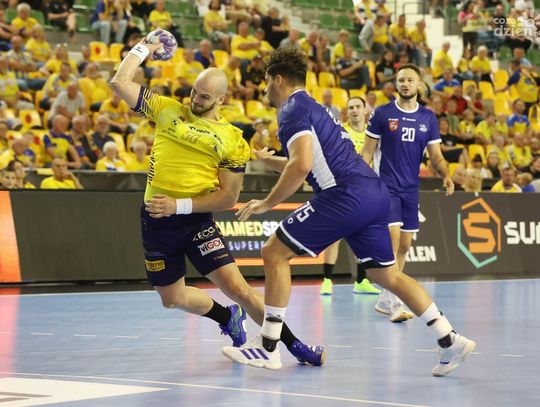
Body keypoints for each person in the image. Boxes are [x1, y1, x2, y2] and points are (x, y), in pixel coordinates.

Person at [224, 48, 475, 375]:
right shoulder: (315, 107)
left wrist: (266, 203)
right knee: (388, 275)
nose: (266, 88)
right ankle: (449, 338)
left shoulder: (290, 109)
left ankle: (268, 346)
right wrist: (265, 159)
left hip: (344, 195)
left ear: (279, 79)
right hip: (374, 193)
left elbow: (301, 166)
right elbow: (307, 161)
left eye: (268, 81)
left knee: (274, 252)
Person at [109, 38, 325, 367]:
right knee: (172, 299)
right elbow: (119, 82)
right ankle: (227, 317)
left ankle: (295, 346)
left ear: (221, 99)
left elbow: (228, 197)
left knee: (239, 288)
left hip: (195, 222)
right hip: (155, 221)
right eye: (194, 92)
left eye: (204, 97)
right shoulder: (167, 109)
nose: (195, 100)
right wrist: (144, 47)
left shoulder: (232, 139)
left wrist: (178, 206)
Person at [362, 63, 456, 323]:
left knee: (405, 245)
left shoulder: (428, 118)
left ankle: (385, 299)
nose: (405, 84)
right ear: (396, 84)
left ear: (419, 85)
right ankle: (394, 302)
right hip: (386, 186)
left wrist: (446, 175)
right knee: (392, 241)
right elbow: (368, 151)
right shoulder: (382, 113)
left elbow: (436, 156)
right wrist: (359, 178)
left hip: (411, 189)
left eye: (410, 80)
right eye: (401, 80)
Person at [320, 96, 381, 296]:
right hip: (341, 188)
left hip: (365, 191)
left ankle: (361, 281)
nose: (354, 110)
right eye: (351, 107)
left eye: (357, 107)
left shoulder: (372, 134)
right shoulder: (341, 131)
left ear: (365, 110)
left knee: (363, 237)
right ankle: (327, 280)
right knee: (334, 237)